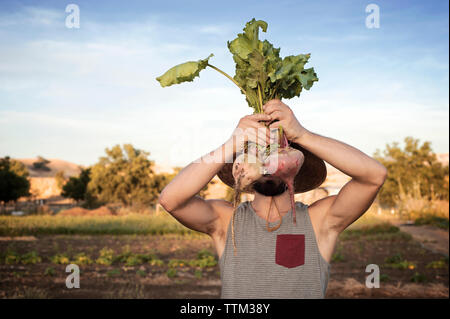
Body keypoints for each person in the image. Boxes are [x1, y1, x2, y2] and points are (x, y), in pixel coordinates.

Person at [159, 99, 387, 298]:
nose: (268, 163)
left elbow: (374, 176)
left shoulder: (320, 222)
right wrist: (232, 143)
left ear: (296, 166)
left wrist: (302, 134)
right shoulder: (226, 220)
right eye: (258, 155)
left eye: (277, 154)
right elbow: (171, 200)